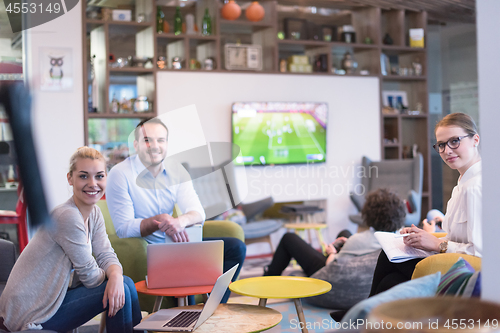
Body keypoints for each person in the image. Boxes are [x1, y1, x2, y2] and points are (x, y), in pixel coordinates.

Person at [0, 147, 142, 332]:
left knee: (123, 283)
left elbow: (106, 253)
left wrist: (114, 274)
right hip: (31, 313)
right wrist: (114, 278)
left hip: (53, 299)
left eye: (99, 176)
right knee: (123, 285)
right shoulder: (67, 216)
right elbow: (90, 278)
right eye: (84, 176)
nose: (93, 183)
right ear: (70, 178)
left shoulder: (95, 213)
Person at [106, 117, 246, 303]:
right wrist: (160, 220)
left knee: (235, 248)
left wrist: (179, 222)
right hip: (148, 249)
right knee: (183, 278)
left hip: (178, 244)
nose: (154, 145)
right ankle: (186, 315)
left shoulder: (176, 171)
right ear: (136, 144)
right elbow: (123, 228)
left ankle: (212, 308)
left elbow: (198, 213)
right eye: (147, 140)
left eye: (160, 140)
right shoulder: (120, 174)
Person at [369, 112, 482, 296]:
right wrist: (424, 238)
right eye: (441, 145)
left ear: (475, 139)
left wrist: (438, 245)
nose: (447, 150)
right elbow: (458, 239)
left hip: (468, 271)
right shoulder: (462, 184)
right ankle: (362, 317)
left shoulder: (476, 187)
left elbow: (481, 253)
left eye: (455, 141)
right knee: (391, 279)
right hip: (454, 259)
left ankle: (358, 317)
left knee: (389, 265)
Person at [264, 188, 406, 277]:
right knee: (345, 232)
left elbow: (332, 268)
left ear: (368, 214)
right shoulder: (399, 238)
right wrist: (347, 244)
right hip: (364, 269)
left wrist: (332, 253)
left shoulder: (358, 241)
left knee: (289, 238)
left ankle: (269, 277)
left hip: (327, 275)